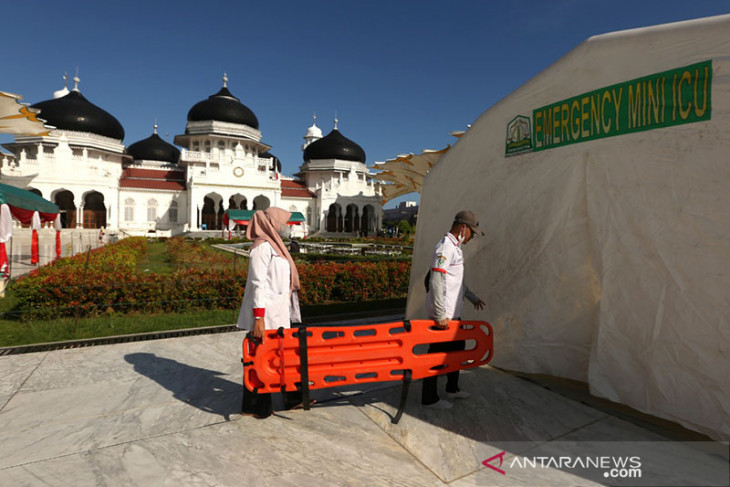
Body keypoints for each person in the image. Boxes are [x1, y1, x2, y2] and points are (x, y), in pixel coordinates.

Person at [237, 207, 304, 418]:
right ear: (271, 223)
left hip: (278, 313)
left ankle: (292, 399)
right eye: (281, 223)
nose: (284, 228)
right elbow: (258, 284)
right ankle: (256, 407)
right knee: (260, 360)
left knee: (281, 357)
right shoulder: (261, 249)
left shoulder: (276, 247)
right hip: (265, 316)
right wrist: (258, 318)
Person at [422, 210, 486, 409]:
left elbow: (458, 282)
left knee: (457, 353)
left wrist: (473, 298)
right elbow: (436, 278)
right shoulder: (445, 247)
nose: (471, 237)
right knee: (436, 357)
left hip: (453, 316)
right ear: (463, 228)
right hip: (444, 317)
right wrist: (440, 314)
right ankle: (429, 398)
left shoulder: (456, 248)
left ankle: (452, 388)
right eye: (471, 233)